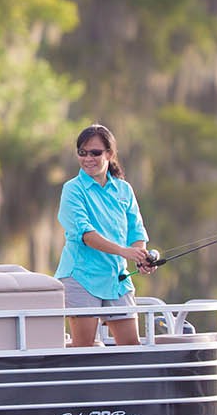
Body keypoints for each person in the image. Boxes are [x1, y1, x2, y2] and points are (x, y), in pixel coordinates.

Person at [53, 123, 154, 347]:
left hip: (117, 278)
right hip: (81, 276)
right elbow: (86, 235)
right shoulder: (72, 189)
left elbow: (136, 231)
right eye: (82, 153)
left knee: (131, 346)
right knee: (84, 347)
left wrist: (140, 256)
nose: (88, 158)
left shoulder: (124, 190)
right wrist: (124, 252)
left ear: (109, 154)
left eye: (95, 153)